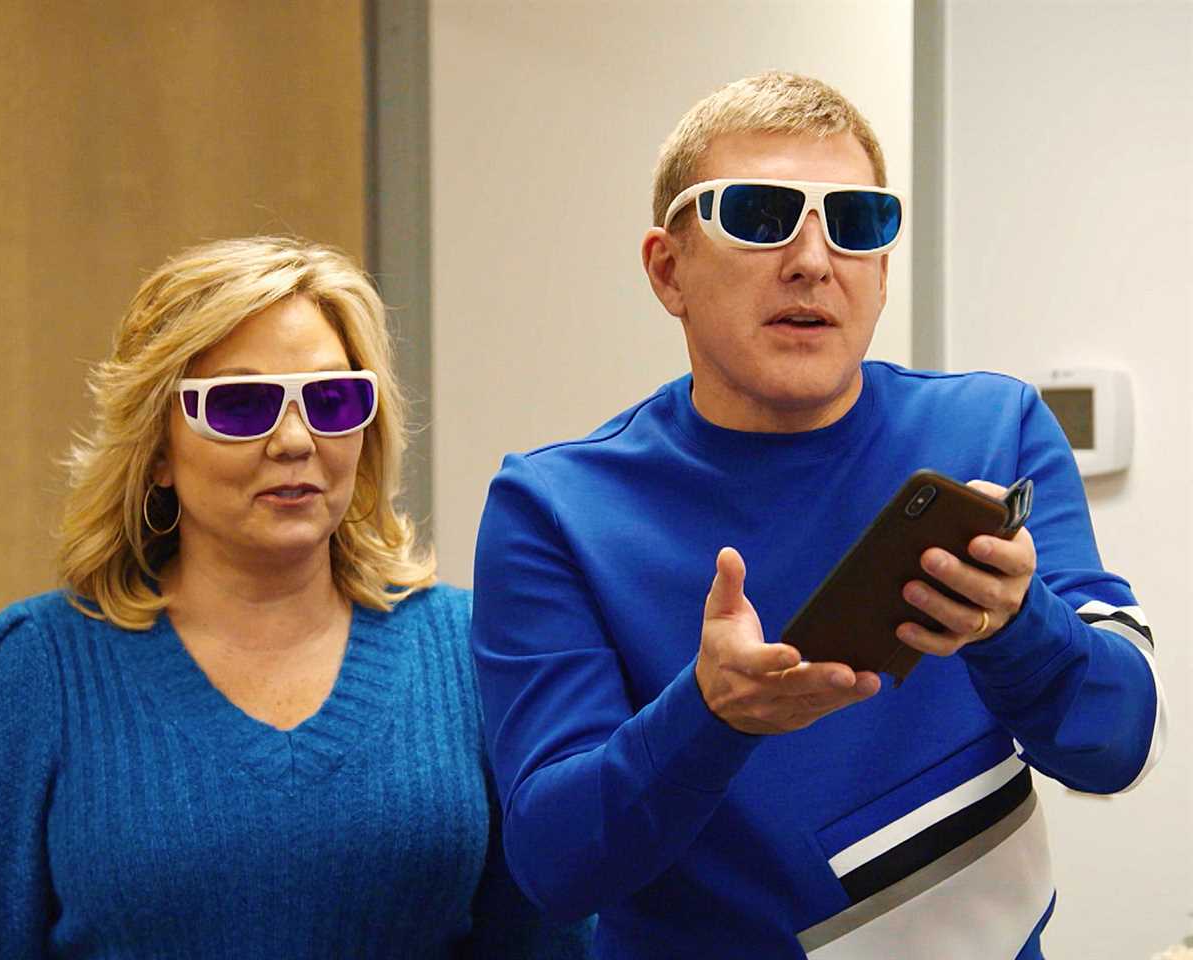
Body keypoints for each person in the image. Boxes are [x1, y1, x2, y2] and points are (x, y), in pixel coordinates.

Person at [470, 72, 1166, 959]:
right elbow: (556, 863)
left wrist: (1018, 627)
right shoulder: (556, 510)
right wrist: (711, 714)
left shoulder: (992, 432)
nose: (812, 259)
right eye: (758, 216)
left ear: (880, 271)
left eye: (856, 221)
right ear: (667, 269)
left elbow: (1120, 746)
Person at [0, 237, 591, 958]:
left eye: (332, 401)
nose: (296, 439)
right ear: (159, 450)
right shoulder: (37, 671)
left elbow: (554, 935)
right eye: (241, 405)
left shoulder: (468, 652)